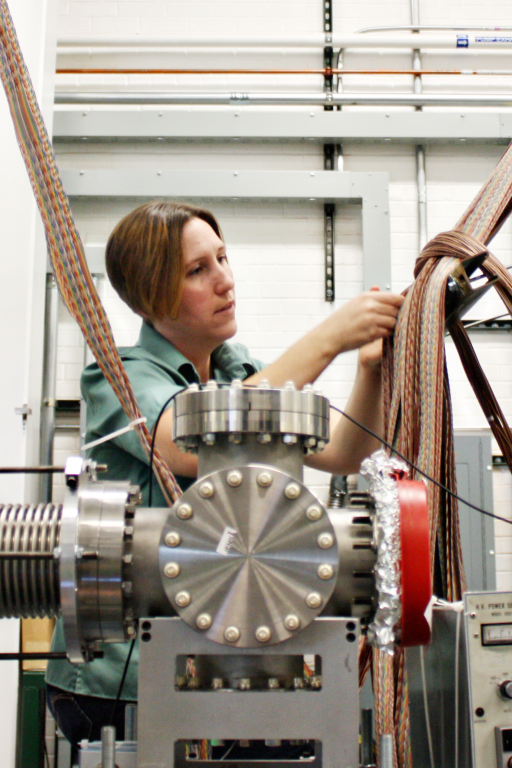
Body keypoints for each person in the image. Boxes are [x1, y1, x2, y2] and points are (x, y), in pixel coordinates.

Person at [46, 201, 404, 746]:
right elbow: (190, 449)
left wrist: (370, 370)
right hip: (122, 682)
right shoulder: (117, 377)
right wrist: (329, 337)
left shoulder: (241, 372)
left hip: (222, 665)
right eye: (198, 270)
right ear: (149, 294)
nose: (225, 280)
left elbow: (345, 451)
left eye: (223, 258)